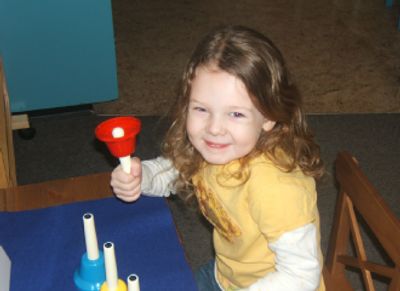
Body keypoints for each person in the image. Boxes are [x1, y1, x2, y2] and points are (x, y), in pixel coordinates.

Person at [110, 25, 325, 291]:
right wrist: (143, 177)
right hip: (226, 275)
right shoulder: (218, 149)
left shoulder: (277, 188)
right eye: (201, 109)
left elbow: (301, 276)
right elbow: (176, 168)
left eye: (235, 114)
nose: (214, 128)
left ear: (269, 116)